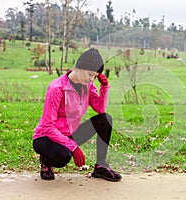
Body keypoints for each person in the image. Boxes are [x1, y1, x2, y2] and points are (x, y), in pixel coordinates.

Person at [32, 48, 122, 182]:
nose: (92, 79)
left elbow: (99, 109)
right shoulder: (57, 89)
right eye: (90, 74)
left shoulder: (88, 85)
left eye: (95, 77)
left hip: (70, 133)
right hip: (46, 137)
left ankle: (100, 167)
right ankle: (46, 162)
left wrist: (104, 87)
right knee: (63, 157)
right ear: (79, 67)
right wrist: (73, 148)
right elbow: (47, 126)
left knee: (105, 120)